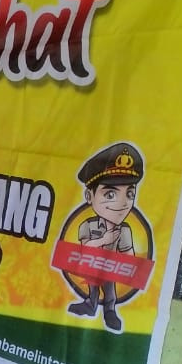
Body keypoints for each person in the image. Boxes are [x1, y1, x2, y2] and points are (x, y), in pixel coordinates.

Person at [65, 141, 144, 333]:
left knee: (110, 288)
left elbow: (129, 256)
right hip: (91, 266)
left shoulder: (124, 231)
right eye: (110, 194)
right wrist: (104, 240)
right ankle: (90, 304)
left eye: (130, 193)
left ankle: (109, 310)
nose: (123, 203)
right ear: (89, 196)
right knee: (92, 283)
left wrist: (130, 267)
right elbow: (84, 248)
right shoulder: (87, 225)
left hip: (111, 269)